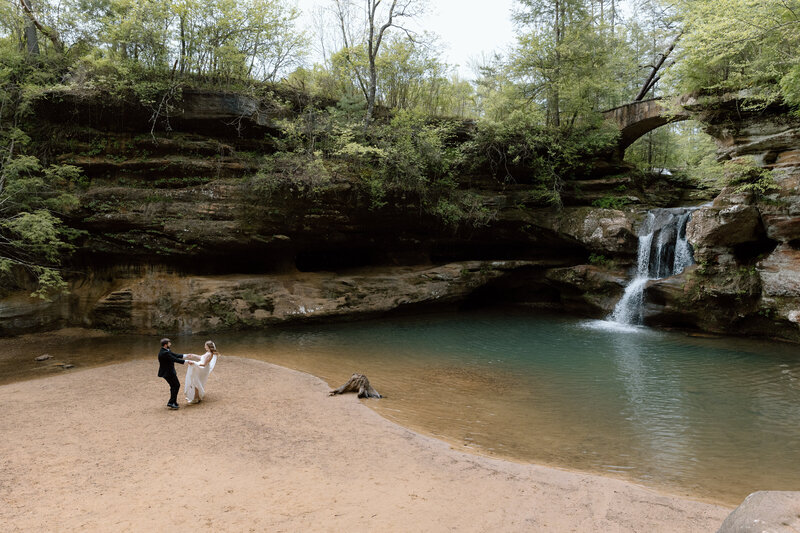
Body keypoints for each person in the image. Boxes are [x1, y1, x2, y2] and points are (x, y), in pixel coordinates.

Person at [157, 338, 189, 410]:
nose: (170, 344)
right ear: (165, 345)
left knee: (174, 386)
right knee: (176, 385)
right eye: (169, 343)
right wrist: (187, 361)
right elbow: (175, 359)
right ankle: (171, 402)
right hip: (168, 373)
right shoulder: (165, 353)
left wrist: (187, 355)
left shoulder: (165, 351)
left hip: (168, 372)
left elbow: (176, 355)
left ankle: (173, 401)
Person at [183, 340, 219, 404]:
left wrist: (194, 363)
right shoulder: (207, 353)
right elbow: (201, 358)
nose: (204, 346)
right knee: (196, 381)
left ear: (208, 346)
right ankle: (198, 397)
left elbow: (204, 364)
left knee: (196, 382)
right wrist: (193, 355)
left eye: (205, 345)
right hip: (201, 368)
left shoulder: (210, 354)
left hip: (202, 369)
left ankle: (196, 398)